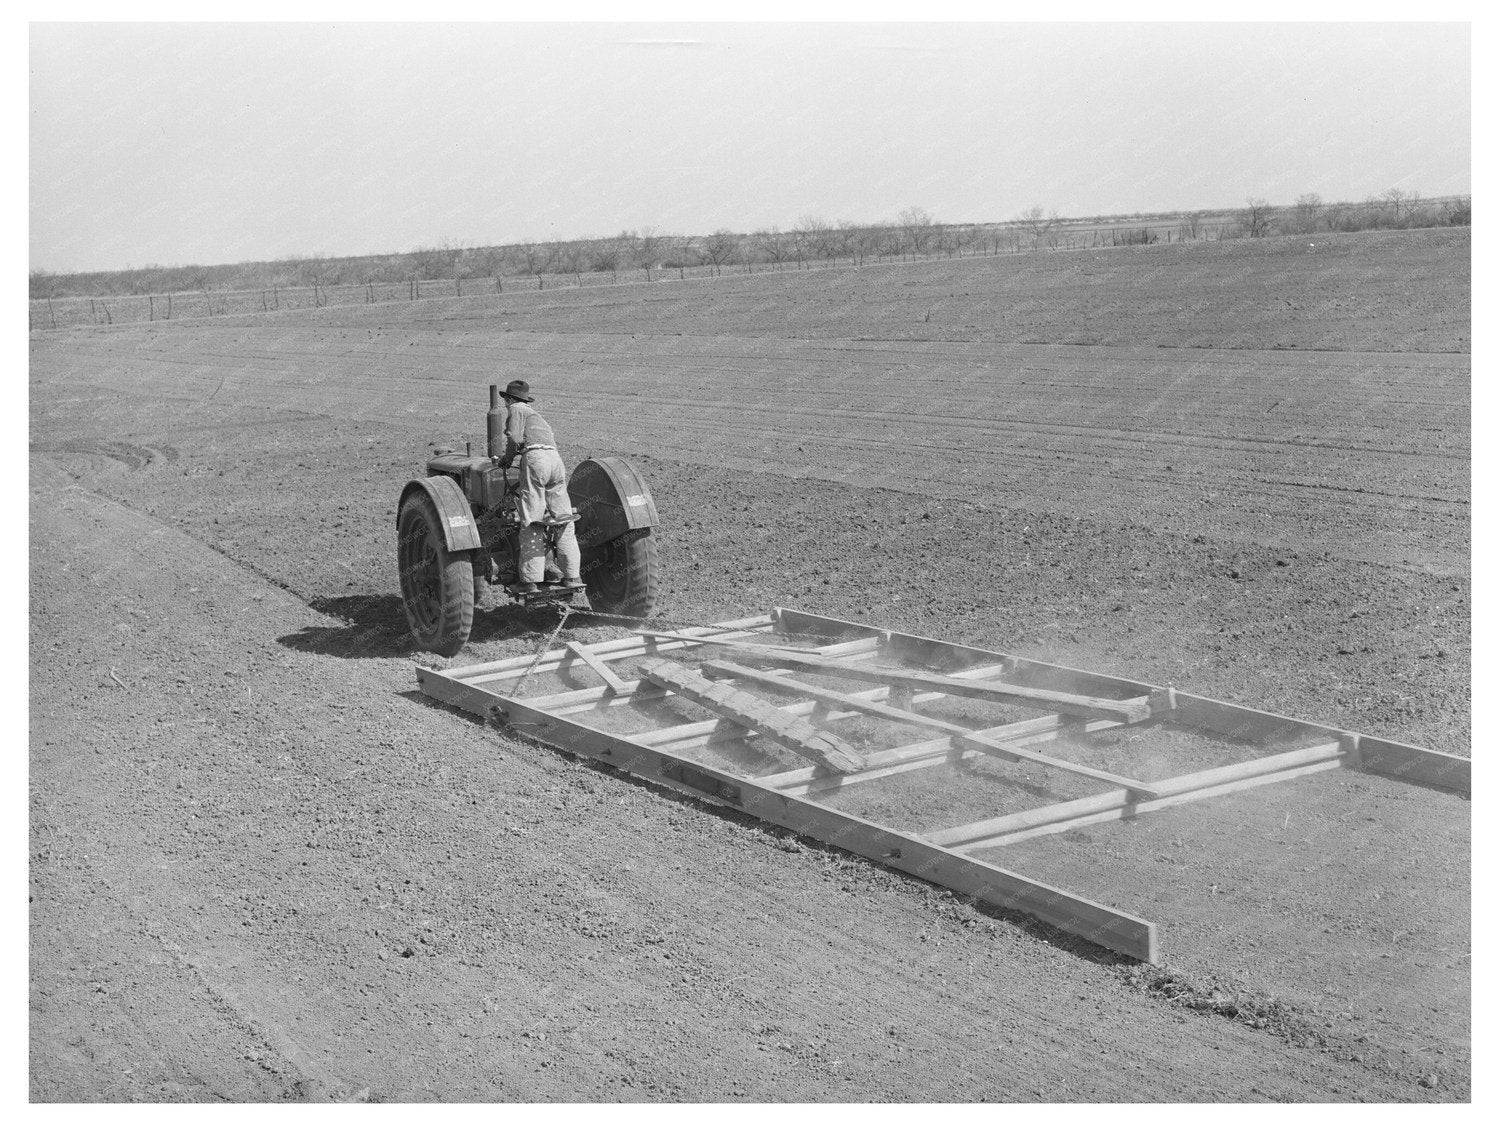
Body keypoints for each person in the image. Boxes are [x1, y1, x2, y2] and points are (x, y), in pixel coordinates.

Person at [497, 379, 582, 592]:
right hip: (555, 461)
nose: (506, 404)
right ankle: (572, 576)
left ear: (509, 399)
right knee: (563, 520)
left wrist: (507, 459)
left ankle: (531, 580)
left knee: (532, 519)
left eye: (506, 401)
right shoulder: (538, 417)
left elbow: (514, 438)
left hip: (536, 460)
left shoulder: (516, 408)